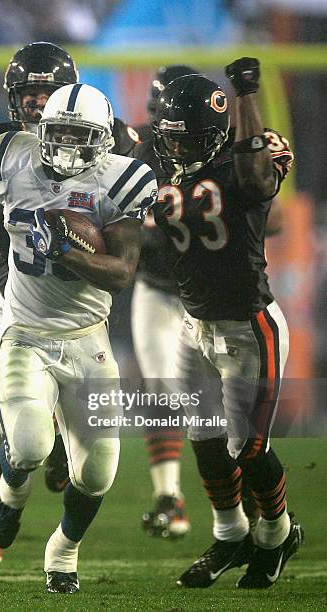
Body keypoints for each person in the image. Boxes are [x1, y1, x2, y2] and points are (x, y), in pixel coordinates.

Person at [0, 82, 158, 594]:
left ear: (103, 140)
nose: (67, 146)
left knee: (98, 473)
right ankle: (9, 497)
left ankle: (64, 550)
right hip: (24, 333)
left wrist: (67, 252)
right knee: (30, 445)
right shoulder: (12, 156)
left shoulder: (121, 180)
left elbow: (121, 271)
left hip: (87, 339)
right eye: (59, 133)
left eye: (81, 136)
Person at [135, 58, 302, 589]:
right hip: (193, 323)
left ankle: (276, 536)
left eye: (187, 139)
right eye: (171, 138)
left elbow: (257, 174)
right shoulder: (164, 161)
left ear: (215, 132)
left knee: (246, 446)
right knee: (205, 436)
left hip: (247, 327)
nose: (175, 148)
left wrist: (248, 95)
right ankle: (229, 535)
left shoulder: (243, 162)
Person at [133, 65, 198, 539]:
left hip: (211, 297)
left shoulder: (220, 153)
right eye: (162, 115)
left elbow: (271, 220)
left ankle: (260, 505)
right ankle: (169, 496)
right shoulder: (140, 156)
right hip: (157, 288)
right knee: (161, 393)